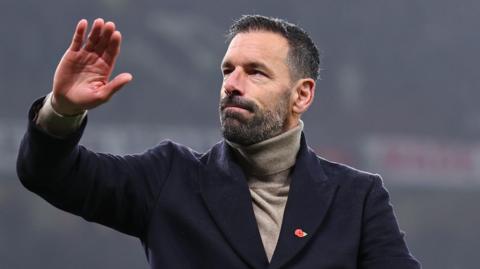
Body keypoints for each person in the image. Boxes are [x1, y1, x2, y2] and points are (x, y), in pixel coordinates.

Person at [17, 15, 421, 269]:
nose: (232, 84)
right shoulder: (169, 176)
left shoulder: (358, 197)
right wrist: (63, 110)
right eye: (227, 70)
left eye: (255, 72)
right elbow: (50, 175)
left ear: (302, 94)